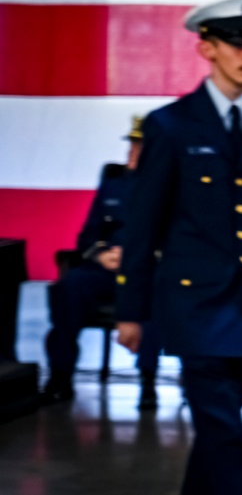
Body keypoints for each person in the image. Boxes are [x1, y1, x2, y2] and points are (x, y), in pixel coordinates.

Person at [115, 0, 242, 495]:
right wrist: (130, 310)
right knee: (221, 427)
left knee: (219, 431)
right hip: (193, 304)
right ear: (206, 48)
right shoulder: (169, 125)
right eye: (237, 43)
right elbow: (142, 224)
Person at [41, 116, 162, 408]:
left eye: (140, 147)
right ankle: (60, 377)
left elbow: (175, 239)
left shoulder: (168, 189)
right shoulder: (113, 185)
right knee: (70, 287)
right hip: (106, 269)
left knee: (158, 295)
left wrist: (139, 258)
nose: (131, 152)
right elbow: (87, 236)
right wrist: (100, 254)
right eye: (131, 146)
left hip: (145, 271)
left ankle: (148, 381)